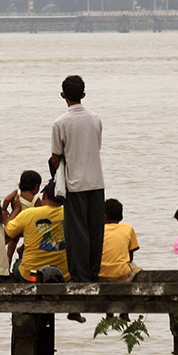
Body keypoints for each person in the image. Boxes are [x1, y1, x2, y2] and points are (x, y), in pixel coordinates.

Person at [50, 75, 105, 282]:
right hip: (96, 181)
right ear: (83, 94)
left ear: (63, 95)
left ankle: (79, 275)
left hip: (74, 184)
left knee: (76, 233)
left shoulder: (60, 123)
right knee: (95, 230)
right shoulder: (95, 118)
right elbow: (97, 146)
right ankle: (93, 272)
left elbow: (56, 157)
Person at [5, 181, 68, 281]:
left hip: (30, 276)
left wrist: (15, 209)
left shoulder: (29, 213)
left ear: (44, 196)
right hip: (63, 275)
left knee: (17, 265)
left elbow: (8, 231)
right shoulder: (69, 214)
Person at [99, 198, 141, 283]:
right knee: (135, 267)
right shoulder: (128, 228)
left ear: (105, 216)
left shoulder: (97, 230)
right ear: (121, 217)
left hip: (100, 275)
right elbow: (130, 258)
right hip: (121, 276)